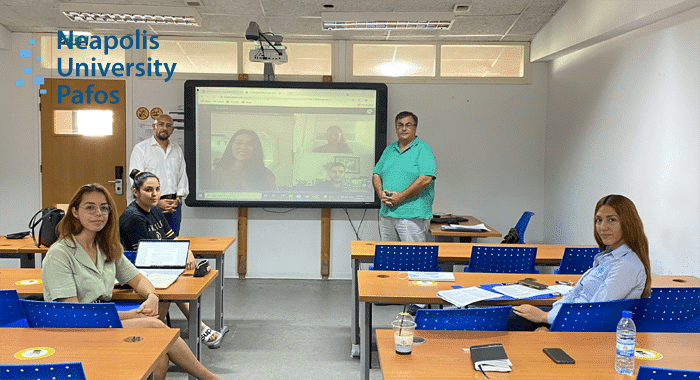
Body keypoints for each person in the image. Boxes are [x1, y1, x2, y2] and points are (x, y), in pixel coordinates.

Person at [41, 183, 223, 380]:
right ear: (75, 211)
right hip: (76, 329)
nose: (99, 213)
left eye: (104, 208)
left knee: (160, 355)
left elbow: (137, 279)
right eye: (90, 207)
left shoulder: (106, 246)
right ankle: (209, 378)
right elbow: (74, 314)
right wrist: (130, 315)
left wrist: (152, 296)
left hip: (102, 321)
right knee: (157, 328)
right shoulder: (60, 254)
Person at [512, 194, 652, 331]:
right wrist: (550, 315)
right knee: (507, 316)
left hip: (577, 327)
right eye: (599, 220)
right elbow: (575, 294)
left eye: (612, 220)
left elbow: (593, 313)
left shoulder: (627, 266)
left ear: (628, 223)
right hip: (565, 317)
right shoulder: (608, 258)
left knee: (502, 324)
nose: (603, 227)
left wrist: (544, 318)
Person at [119, 169, 223, 348]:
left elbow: (171, 238)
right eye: (149, 190)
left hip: (155, 265)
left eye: (157, 189)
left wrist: (188, 251)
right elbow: (145, 256)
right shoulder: (133, 217)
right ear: (136, 192)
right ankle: (179, 330)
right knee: (173, 284)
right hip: (135, 271)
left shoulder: (155, 210)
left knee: (176, 280)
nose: (154, 194)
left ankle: (182, 329)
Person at [372, 111, 437, 242]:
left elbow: (425, 179)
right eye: (399, 125)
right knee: (389, 258)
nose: (403, 128)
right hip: (387, 215)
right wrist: (380, 194)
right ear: (396, 128)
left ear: (415, 127)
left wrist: (400, 197)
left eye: (408, 125)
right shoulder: (389, 150)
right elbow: (376, 174)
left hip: (412, 217)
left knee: (413, 260)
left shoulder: (423, 149)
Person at [129, 114, 188, 236]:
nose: (164, 128)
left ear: (172, 130)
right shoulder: (141, 149)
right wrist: (155, 203)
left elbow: (182, 175)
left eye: (168, 125)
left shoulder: (177, 149)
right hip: (150, 207)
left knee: (173, 243)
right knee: (152, 243)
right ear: (154, 126)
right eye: (161, 124)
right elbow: (136, 180)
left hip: (173, 207)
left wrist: (178, 199)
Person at [211, 129, 276, 191]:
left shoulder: (266, 175)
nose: (243, 147)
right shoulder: (217, 174)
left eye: (250, 144)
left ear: (256, 149)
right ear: (231, 146)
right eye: (238, 143)